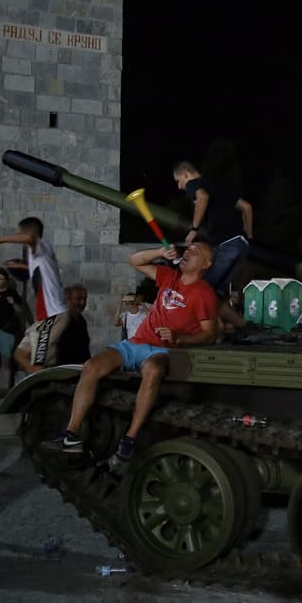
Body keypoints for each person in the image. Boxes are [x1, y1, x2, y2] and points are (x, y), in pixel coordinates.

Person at [43, 243, 217, 471]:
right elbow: (135, 260)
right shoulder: (169, 276)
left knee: (153, 370)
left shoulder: (204, 293)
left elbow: (209, 334)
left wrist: (180, 338)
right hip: (135, 343)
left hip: (163, 350)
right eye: (188, 249)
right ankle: (71, 435)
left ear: (206, 264)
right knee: (92, 366)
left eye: (195, 252)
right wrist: (160, 253)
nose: (188, 252)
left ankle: (129, 440)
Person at [173, 160, 253, 333]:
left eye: (178, 181)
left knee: (201, 287)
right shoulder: (218, 185)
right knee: (215, 293)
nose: (180, 187)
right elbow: (246, 208)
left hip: (226, 244)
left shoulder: (194, 184)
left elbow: (203, 197)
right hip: (241, 245)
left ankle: (209, 332)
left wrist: (194, 229)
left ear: (186, 174)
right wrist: (248, 235)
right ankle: (242, 326)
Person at [0, 217, 69, 368]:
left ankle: (46, 387)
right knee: (20, 355)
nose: (19, 238)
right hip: (43, 318)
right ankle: (43, 384)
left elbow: (30, 237)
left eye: (20, 234)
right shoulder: (37, 255)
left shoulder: (41, 245)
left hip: (52, 316)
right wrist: (19, 265)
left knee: (39, 363)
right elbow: (42, 271)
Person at [58, 284, 92, 365]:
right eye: (78, 299)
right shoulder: (60, 321)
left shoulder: (82, 321)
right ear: (68, 299)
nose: (83, 303)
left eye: (85, 299)